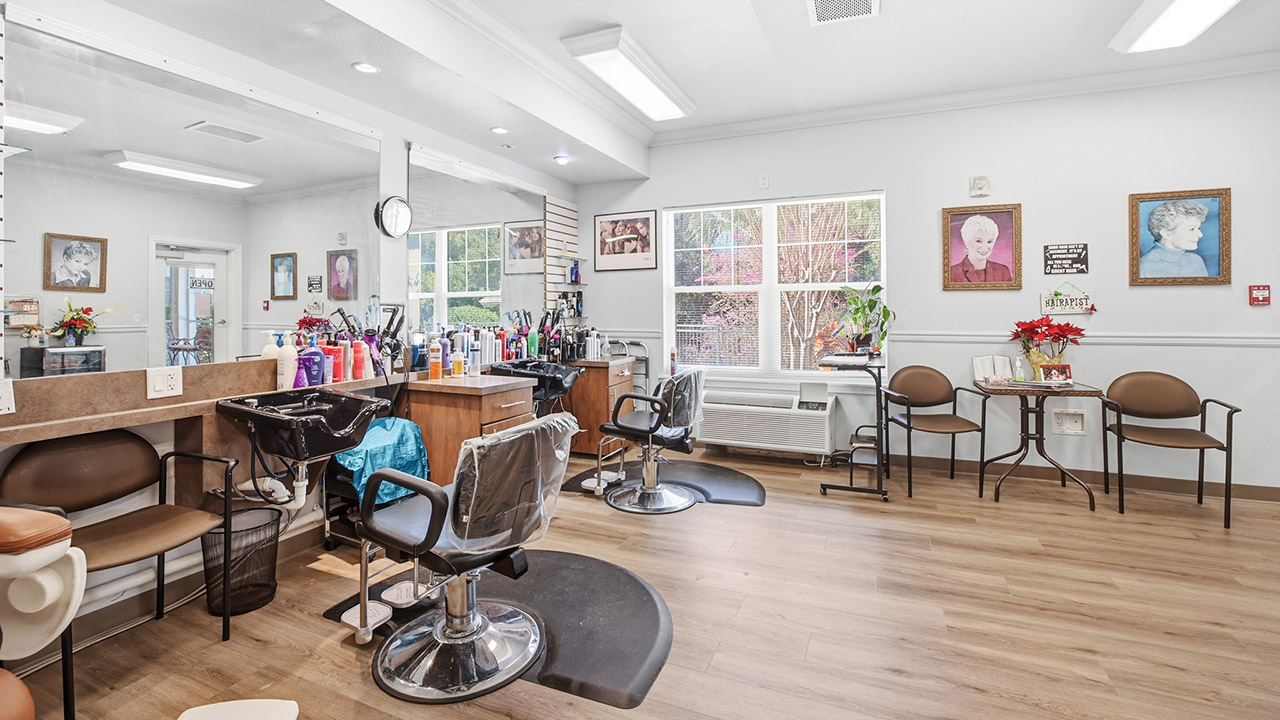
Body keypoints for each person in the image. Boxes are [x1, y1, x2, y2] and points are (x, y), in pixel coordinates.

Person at [1139, 199, 1209, 278]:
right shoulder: (1143, 267)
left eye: (1198, 228)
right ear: (1167, 234)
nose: (1200, 235)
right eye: (1192, 229)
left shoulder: (1196, 261)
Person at [949, 215, 1012, 283]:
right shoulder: (952, 273)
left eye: (989, 242)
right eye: (978, 241)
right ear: (966, 242)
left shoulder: (1003, 271)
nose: (984, 247)